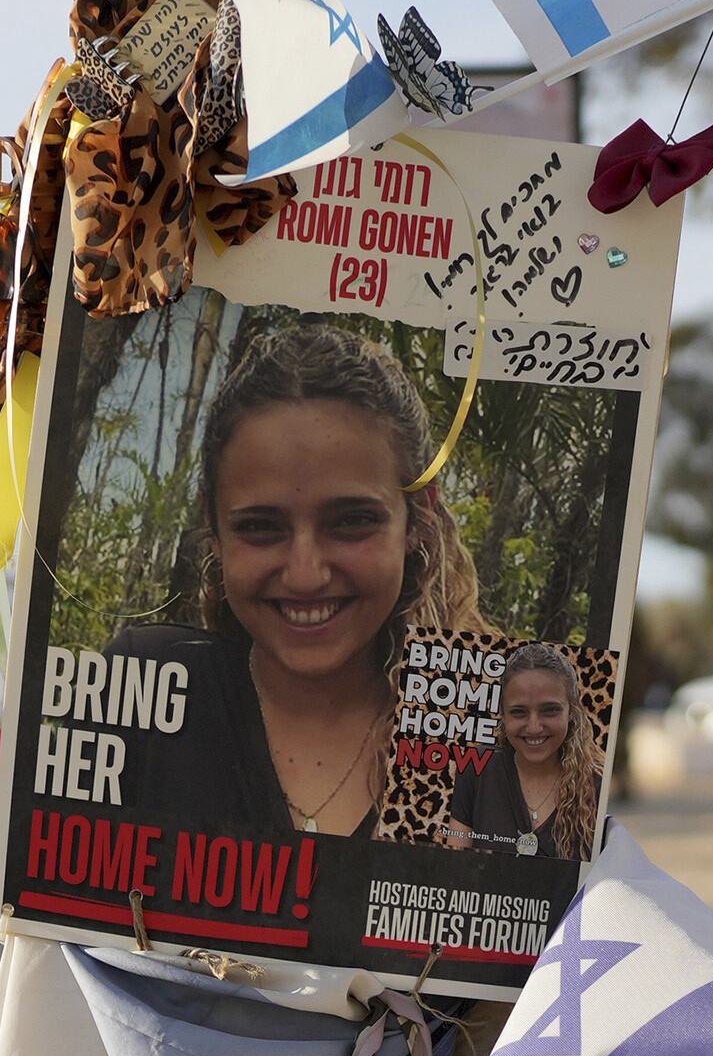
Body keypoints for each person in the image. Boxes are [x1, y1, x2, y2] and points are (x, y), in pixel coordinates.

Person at [106, 318, 475, 838]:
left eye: (351, 522)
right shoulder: (142, 692)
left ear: (417, 516)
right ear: (213, 525)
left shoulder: (492, 732)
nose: (305, 575)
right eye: (260, 527)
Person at [456, 644, 602, 856]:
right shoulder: (476, 766)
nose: (534, 727)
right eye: (519, 712)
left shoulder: (598, 782)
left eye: (550, 710)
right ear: (502, 714)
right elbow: (453, 870)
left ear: (573, 708)